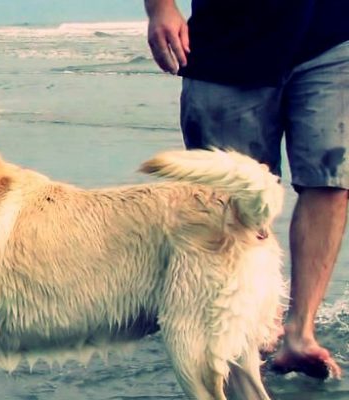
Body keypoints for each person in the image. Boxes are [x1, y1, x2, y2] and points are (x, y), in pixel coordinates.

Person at [144, 0, 349, 380]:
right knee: (228, 198)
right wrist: (160, 8)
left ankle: (300, 331)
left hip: (333, 36)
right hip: (226, 45)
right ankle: (255, 326)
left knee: (330, 179)